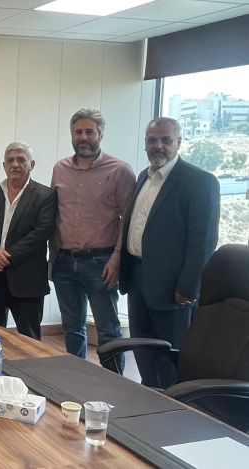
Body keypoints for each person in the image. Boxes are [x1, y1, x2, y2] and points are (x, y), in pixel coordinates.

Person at [120, 117, 220, 388]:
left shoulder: (200, 181)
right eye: (152, 140)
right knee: (143, 351)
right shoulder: (144, 177)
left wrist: (188, 287)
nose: (158, 146)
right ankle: (148, 399)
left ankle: (172, 407)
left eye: (166, 140)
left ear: (179, 143)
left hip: (173, 289)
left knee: (171, 358)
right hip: (137, 279)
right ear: (145, 144)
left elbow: (203, 242)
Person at [51, 109, 135, 371]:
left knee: (108, 331)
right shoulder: (60, 169)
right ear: (71, 135)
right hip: (65, 262)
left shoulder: (120, 170)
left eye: (90, 131)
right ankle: (76, 382)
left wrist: (117, 258)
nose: (83, 137)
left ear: (101, 135)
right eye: (78, 132)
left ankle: (114, 384)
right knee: (72, 328)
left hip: (102, 263)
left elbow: (127, 219)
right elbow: (54, 213)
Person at [0, 142, 58, 340]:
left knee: (29, 340)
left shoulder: (45, 196)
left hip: (27, 280)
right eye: (10, 160)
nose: (15, 164)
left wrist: (5, 256)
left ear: (31, 164)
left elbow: (41, 232)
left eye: (21, 160)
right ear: (4, 165)